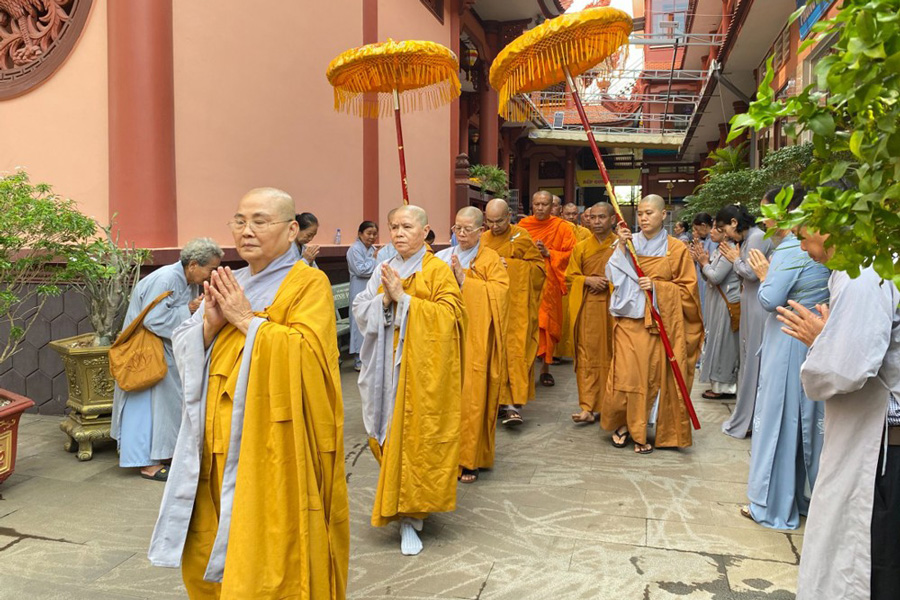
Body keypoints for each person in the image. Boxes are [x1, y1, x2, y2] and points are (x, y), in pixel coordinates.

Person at [149, 188, 349, 599]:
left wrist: (244, 320)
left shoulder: (308, 284)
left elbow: (310, 359)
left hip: (270, 441)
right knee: (210, 540)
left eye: (261, 221)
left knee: (266, 538)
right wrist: (208, 325)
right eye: (239, 221)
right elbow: (183, 342)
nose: (247, 231)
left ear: (292, 229)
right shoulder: (231, 280)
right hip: (214, 442)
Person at [777, 225, 900, 600]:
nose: (802, 245)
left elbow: (845, 370)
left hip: (883, 448)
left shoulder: (864, 271)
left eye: (803, 233)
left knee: (871, 564)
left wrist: (822, 342)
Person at [353, 205, 466, 556]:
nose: (399, 233)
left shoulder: (437, 270)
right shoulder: (384, 269)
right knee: (386, 433)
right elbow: (360, 307)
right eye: (394, 227)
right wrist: (385, 299)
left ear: (425, 230)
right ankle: (401, 503)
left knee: (417, 439)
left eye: (406, 226)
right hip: (385, 367)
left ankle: (410, 516)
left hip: (421, 370)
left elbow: (451, 316)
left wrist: (404, 299)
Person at [742, 186, 830, 529]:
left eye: (768, 211)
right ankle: (801, 497)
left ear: (786, 212)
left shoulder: (792, 250)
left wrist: (765, 276)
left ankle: (773, 504)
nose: (764, 219)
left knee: (779, 420)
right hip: (808, 336)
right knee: (803, 424)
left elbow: (770, 299)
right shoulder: (806, 248)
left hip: (789, 339)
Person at [111, 238, 223, 481]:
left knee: (167, 407)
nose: (213, 273)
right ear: (193, 265)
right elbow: (154, 320)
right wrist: (189, 310)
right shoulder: (166, 278)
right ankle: (146, 463)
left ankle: (164, 454)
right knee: (148, 408)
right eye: (212, 268)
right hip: (148, 353)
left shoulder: (188, 280)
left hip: (166, 351)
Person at [603, 194, 703, 454]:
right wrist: (620, 248)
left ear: (663, 215)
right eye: (640, 213)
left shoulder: (676, 249)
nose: (644, 217)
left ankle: (641, 427)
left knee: (649, 379)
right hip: (628, 321)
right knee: (626, 375)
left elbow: (689, 291)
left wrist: (658, 288)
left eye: (649, 213)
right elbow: (612, 276)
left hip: (658, 327)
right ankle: (624, 423)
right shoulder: (629, 242)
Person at [436, 206, 510, 484]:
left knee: (472, 400)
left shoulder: (491, 259)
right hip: (446, 338)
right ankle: (444, 457)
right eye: (457, 228)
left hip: (476, 340)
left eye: (468, 229)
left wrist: (465, 280)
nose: (462, 234)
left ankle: (470, 458)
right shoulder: (442, 257)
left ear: (481, 231)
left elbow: (500, 295)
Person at [482, 198, 546, 426]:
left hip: (517, 308)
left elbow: (539, 269)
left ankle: (513, 405)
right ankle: (497, 402)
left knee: (517, 351)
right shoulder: (483, 239)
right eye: (489, 221)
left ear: (508, 217)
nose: (494, 226)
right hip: (492, 307)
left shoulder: (521, 236)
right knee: (493, 354)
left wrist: (511, 266)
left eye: (499, 221)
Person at [716, 203, 774, 438]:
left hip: (758, 303)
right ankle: (747, 416)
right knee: (748, 357)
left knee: (753, 360)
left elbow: (752, 273)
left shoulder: (757, 237)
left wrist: (734, 259)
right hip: (749, 300)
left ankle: (750, 419)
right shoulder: (750, 238)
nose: (725, 235)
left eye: (724, 228)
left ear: (734, 223)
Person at [565, 203, 617, 424]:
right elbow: (570, 276)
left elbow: (634, 275)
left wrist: (611, 283)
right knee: (587, 356)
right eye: (592, 217)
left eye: (602, 217)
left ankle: (610, 405)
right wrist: (587, 280)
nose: (596, 222)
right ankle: (587, 406)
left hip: (615, 307)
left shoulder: (621, 245)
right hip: (588, 306)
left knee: (613, 355)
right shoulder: (582, 247)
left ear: (612, 219)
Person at [519, 190, 576, 387]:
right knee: (526, 326)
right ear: (532, 205)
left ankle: (545, 369)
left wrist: (548, 252)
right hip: (526, 282)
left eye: (545, 204)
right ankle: (524, 371)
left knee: (546, 326)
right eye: (537, 204)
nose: (541, 208)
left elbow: (571, 254)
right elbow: (515, 250)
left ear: (552, 207)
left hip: (549, 283)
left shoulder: (562, 227)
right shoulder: (523, 226)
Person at [692, 224, 740, 399]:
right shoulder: (720, 250)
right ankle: (718, 385)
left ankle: (726, 386)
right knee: (716, 340)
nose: (711, 231)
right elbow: (709, 276)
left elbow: (716, 277)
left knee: (725, 344)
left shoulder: (729, 251)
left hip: (726, 303)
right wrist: (702, 262)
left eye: (716, 228)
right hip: (717, 301)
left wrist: (704, 263)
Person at [557, 202, 593, 360]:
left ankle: (574, 349)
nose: (571, 217)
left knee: (575, 315)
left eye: (574, 214)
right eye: (568, 214)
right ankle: (556, 352)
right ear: (562, 215)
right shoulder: (556, 230)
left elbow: (589, 255)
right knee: (559, 317)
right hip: (559, 277)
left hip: (577, 278)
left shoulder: (584, 233)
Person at [348, 220, 380, 371]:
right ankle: (358, 359)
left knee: (370, 320)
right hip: (359, 287)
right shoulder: (354, 250)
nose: (372, 237)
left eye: (374, 234)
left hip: (371, 288)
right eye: (368, 233)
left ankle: (369, 357)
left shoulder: (373, 249)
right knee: (358, 321)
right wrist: (374, 259)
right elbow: (360, 270)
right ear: (360, 234)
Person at [690, 212, 716, 315]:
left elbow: (710, 263)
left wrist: (698, 259)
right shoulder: (705, 240)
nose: (695, 232)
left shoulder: (713, 241)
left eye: (697, 229)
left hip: (708, 280)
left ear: (704, 226)